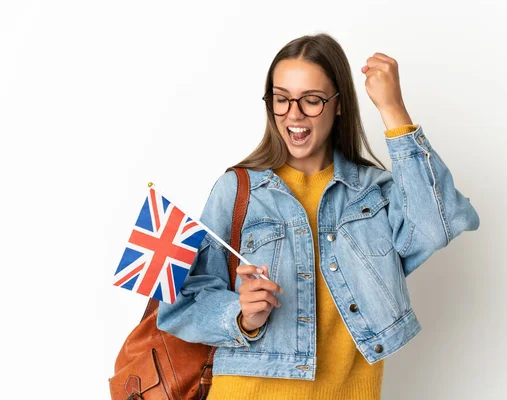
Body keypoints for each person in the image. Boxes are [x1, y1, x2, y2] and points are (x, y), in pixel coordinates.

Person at [157, 33, 480, 400]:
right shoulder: (237, 189)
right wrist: (240, 315)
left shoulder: (374, 192)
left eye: (311, 100)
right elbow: (179, 303)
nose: (294, 114)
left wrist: (394, 111)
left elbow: (437, 226)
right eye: (281, 99)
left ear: (339, 104)